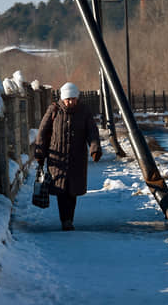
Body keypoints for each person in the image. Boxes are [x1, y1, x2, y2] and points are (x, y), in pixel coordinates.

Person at [34, 82, 102, 231]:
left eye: (73, 99)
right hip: (57, 158)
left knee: (73, 190)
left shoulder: (84, 112)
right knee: (61, 190)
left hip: (77, 157)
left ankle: (69, 219)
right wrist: (40, 153)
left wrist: (95, 149)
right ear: (63, 99)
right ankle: (65, 219)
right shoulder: (54, 110)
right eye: (68, 99)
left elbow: (92, 132)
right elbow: (42, 133)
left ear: (77, 98)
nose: (71, 102)